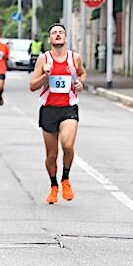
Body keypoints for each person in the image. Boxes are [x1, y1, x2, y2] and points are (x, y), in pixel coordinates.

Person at [29, 23, 86, 205]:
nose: (58, 35)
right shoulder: (43, 59)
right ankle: (54, 186)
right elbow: (32, 86)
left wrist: (80, 83)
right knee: (51, 155)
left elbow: (82, 74)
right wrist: (45, 76)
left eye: (61, 32)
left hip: (69, 108)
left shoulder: (74, 58)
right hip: (49, 109)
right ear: (50, 39)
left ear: (66, 37)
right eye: (54, 33)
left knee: (67, 145)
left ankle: (66, 179)